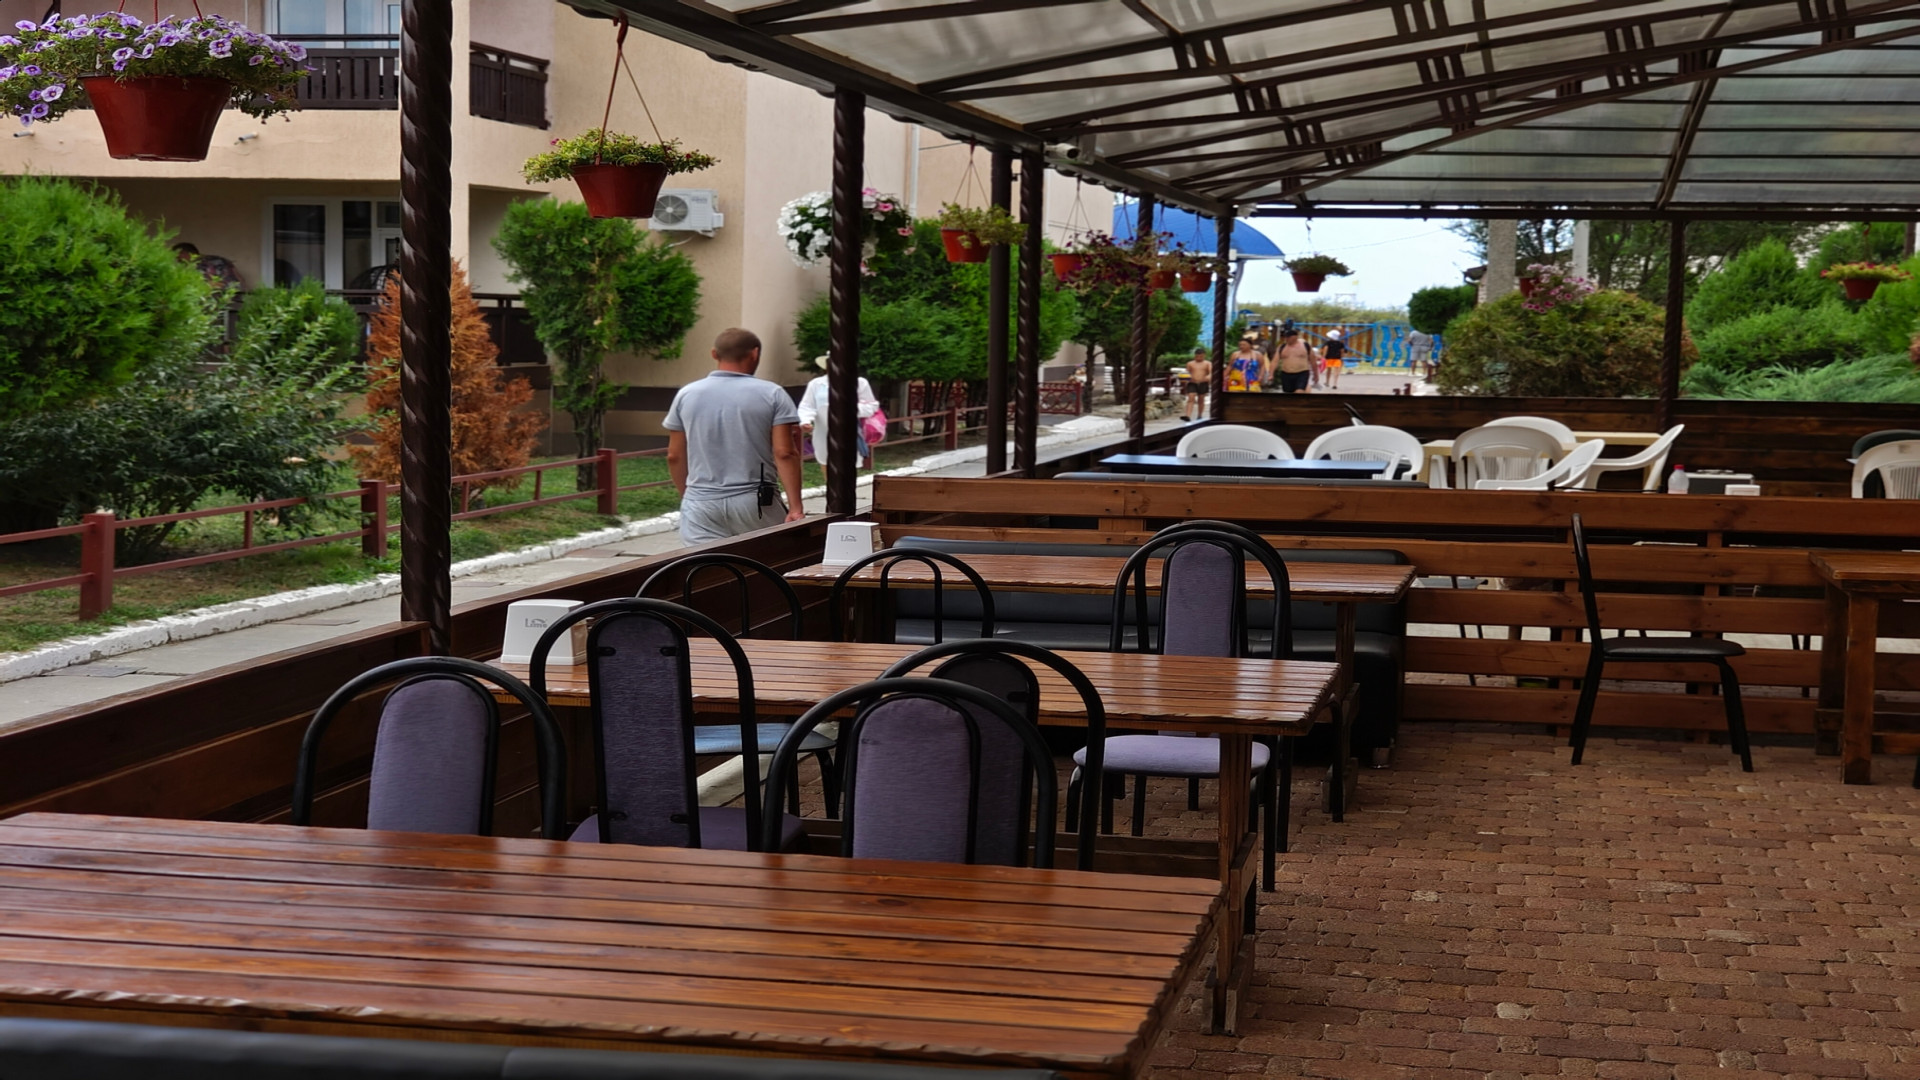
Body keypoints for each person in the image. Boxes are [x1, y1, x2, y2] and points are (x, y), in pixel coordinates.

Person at [663, 328, 806, 545]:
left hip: (700, 502)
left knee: (705, 565)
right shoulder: (772, 394)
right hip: (755, 501)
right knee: (770, 560)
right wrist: (796, 507)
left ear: (714, 354)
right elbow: (784, 452)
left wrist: (689, 496)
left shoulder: (686, 394)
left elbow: (674, 455)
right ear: (755, 354)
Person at [795, 355, 880, 468]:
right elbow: (807, 405)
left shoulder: (859, 383)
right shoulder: (816, 384)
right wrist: (806, 420)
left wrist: (850, 409)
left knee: (847, 466)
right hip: (823, 433)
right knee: (826, 463)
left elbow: (871, 406)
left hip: (849, 432)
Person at [1274, 330, 1314, 394]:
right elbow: (1275, 361)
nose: (1286, 339)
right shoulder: (1282, 347)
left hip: (1302, 373)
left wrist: (1316, 374)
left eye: (1288, 337)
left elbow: (1313, 360)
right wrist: (1271, 374)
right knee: (1288, 393)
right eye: (1286, 337)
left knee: (1299, 391)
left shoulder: (1305, 346)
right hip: (1286, 374)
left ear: (1295, 337)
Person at [1182, 346, 1211, 420]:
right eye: (1197, 356)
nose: (1199, 358)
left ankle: (1200, 415)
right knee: (1191, 398)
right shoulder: (1190, 363)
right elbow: (1187, 372)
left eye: (1201, 356)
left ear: (1204, 355)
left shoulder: (1207, 363)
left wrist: (1208, 377)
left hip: (1203, 382)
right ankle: (1188, 415)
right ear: (1195, 356)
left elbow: (1211, 372)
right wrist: (1185, 378)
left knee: (1201, 399)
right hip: (1192, 382)